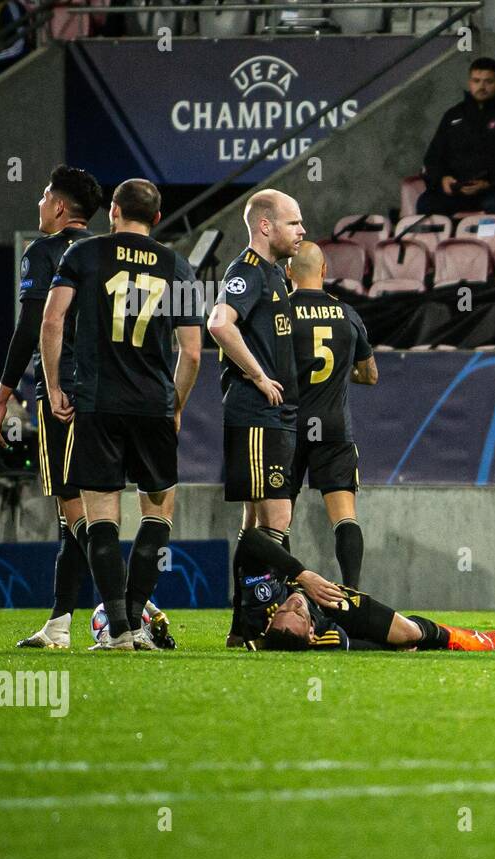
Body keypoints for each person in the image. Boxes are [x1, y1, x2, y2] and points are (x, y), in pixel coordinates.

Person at [38, 178, 205, 650]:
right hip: (152, 406)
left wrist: (54, 386)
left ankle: (120, 631)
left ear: (113, 211)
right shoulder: (178, 266)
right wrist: (175, 405)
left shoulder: (83, 256)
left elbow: (51, 321)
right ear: (156, 218)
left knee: (101, 519)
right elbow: (191, 352)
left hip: (97, 403)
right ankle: (134, 621)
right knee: (157, 513)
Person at [0, 166, 100, 649]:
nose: (38, 202)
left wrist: (2, 397)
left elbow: (30, 327)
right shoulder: (103, 255)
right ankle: (58, 623)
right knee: (78, 511)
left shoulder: (44, 252)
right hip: (106, 394)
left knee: (72, 506)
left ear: (58, 205)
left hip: (63, 395)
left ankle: (132, 608)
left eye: (43, 194)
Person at [206, 189, 305, 643]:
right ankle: (262, 622)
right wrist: (260, 376)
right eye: (293, 222)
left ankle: (244, 626)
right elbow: (219, 322)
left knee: (254, 525)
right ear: (265, 226)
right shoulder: (246, 272)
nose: (301, 230)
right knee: (276, 522)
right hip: (257, 415)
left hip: (272, 417)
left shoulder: (276, 275)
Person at [223, 527, 495, 652]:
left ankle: (448, 635)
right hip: (328, 606)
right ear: (312, 634)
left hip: (316, 588)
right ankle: (463, 638)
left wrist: (302, 575)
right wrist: (393, 647)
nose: (295, 604)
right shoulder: (327, 640)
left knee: (407, 629)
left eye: (286, 608)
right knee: (407, 636)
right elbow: (355, 645)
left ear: (272, 618)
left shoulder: (262, 606)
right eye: (298, 614)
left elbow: (250, 539)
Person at [286, 240, 378, 589]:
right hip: (334, 428)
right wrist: (343, 373)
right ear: (324, 271)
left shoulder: (280, 312)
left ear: (288, 272)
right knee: (344, 518)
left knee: (279, 520)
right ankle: (352, 594)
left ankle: (286, 593)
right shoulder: (348, 314)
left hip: (288, 427)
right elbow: (370, 374)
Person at [416, 57, 495, 219]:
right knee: (427, 204)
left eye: (488, 82)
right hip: (457, 191)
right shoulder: (453, 116)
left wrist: (488, 183)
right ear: (470, 83)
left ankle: (491, 243)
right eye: (476, 81)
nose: (481, 86)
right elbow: (433, 157)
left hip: (494, 190)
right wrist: (443, 179)